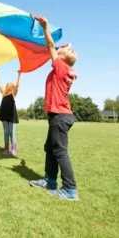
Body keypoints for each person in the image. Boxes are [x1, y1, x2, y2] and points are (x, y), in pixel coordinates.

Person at [29, 15, 78, 201]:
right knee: (49, 148)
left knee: (60, 152)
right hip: (58, 115)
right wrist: (66, 47)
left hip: (60, 116)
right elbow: (55, 49)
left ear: (63, 58)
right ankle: (50, 180)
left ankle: (70, 190)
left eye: (62, 50)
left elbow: (50, 47)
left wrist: (45, 27)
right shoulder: (65, 69)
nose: (59, 49)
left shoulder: (60, 67)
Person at [0, 69, 21, 155]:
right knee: (6, 132)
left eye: (10, 86)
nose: (8, 87)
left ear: (12, 87)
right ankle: (6, 149)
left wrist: (19, 75)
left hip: (12, 116)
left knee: (11, 133)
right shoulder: (4, 93)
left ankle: (14, 149)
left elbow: (18, 86)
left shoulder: (13, 94)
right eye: (7, 85)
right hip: (4, 115)